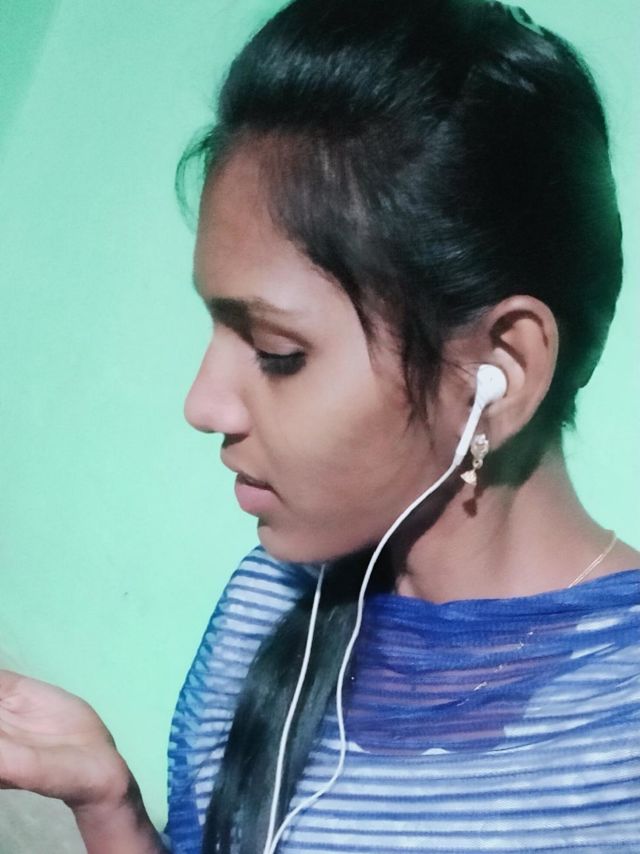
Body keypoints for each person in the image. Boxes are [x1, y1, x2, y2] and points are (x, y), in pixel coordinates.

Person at [1, 0, 639, 851]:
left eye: (277, 352)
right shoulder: (271, 610)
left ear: (500, 371)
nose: (203, 404)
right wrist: (109, 805)